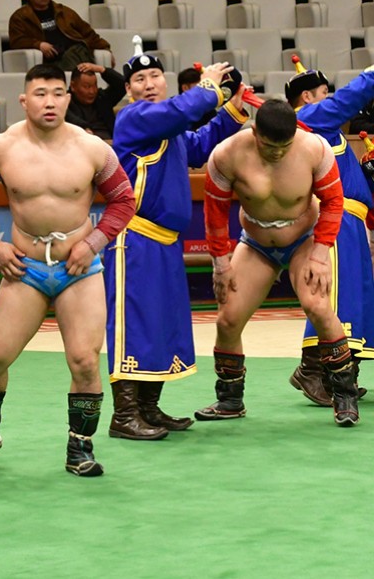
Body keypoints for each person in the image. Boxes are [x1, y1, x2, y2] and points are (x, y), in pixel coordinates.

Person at [0, 64, 136, 477]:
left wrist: (92, 243)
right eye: (40, 94)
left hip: (79, 268)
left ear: (68, 99)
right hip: (25, 267)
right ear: (24, 101)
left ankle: (80, 446)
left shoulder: (93, 149)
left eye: (57, 93)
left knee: (84, 361)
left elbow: (123, 200)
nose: (50, 102)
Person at [106, 46, 248, 441]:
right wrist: (210, 88)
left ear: (164, 81)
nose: (149, 84)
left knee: (162, 325)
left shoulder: (167, 127)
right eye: (139, 80)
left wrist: (232, 109)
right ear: (129, 90)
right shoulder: (134, 118)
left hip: (166, 242)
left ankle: (148, 408)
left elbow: (200, 144)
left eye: (154, 76)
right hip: (134, 239)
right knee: (135, 325)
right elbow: (182, 111)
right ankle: (124, 415)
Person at [194, 99, 359, 427]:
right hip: (256, 244)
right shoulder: (226, 155)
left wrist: (320, 253)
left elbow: (333, 201)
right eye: (270, 147)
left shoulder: (314, 149)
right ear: (255, 132)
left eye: (285, 146)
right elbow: (214, 214)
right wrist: (220, 263)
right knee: (228, 319)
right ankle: (230, 399)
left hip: (304, 240)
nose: (278, 153)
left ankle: (345, 394)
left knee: (318, 307)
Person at [282, 60, 374, 407]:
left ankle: (341, 374)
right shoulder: (310, 119)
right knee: (334, 298)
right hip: (334, 221)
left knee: (353, 299)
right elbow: (345, 102)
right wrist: (370, 76)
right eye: (324, 92)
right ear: (307, 97)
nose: (330, 98)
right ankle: (312, 370)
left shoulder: (326, 129)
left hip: (352, 222)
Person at [9, 0, 113, 72]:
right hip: (50, 60)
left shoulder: (63, 11)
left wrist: (106, 49)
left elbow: (87, 32)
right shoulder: (21, 17)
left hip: (73, 52)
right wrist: (38, 45)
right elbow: (16, 41)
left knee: (74, 54)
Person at [64, 62, 125, 139]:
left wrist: (101, 69)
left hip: (111, 142)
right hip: (82, 142)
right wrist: (84, 127)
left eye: (95, 85)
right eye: (87, 87)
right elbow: (70, 117)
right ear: (73, 86)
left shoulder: (102, 97)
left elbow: (122, 85)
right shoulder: (65, 101)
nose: (92, 91)